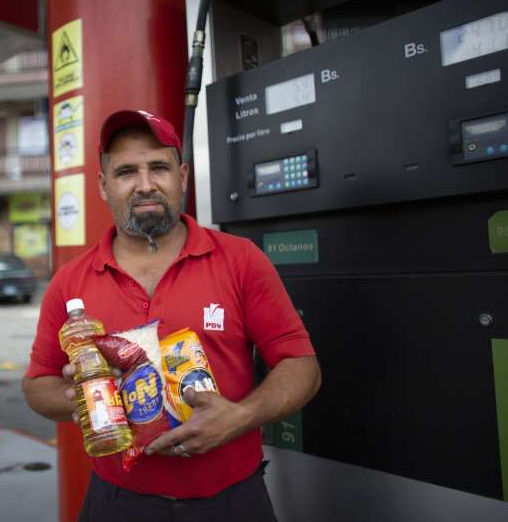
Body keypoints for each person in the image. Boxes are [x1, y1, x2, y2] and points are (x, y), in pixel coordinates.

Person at [22, 109, 321, 521]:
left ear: (182, 176)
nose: (145, 185)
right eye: (126, 172)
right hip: (117, 502)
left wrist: (241, 417)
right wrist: (78, 396)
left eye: (158, 167)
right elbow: (37, 384)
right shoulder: (69, 282)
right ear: (103, 186)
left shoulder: (240, 260)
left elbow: (301, 364)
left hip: (231, 500)